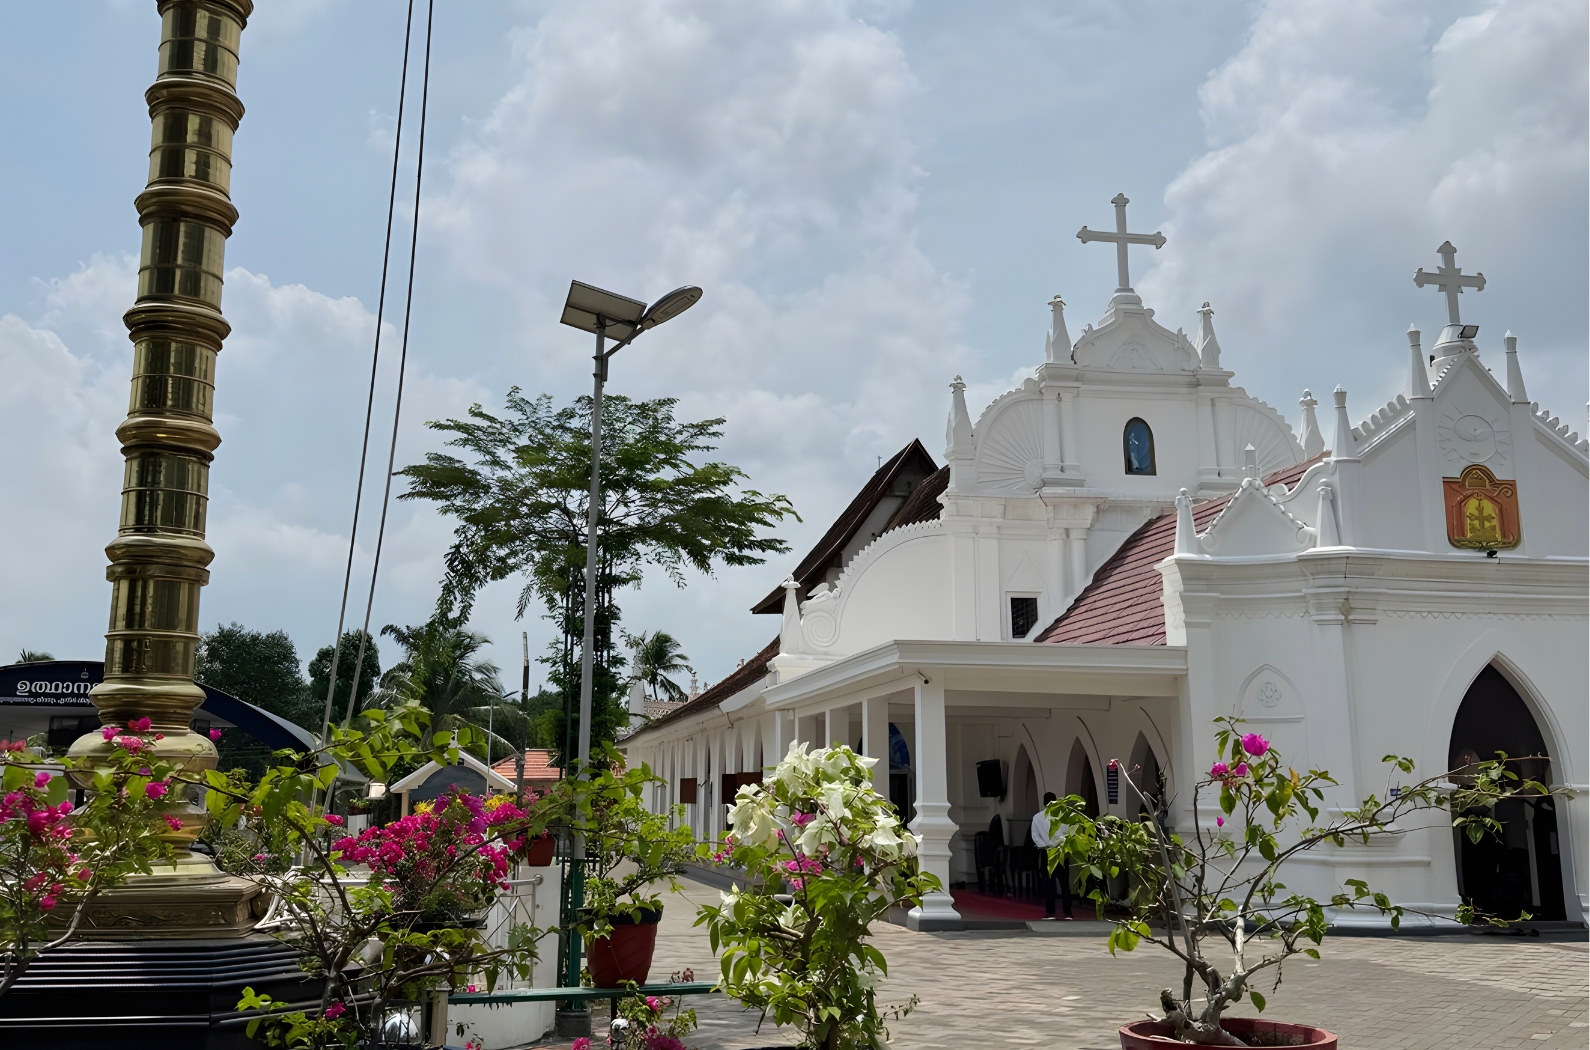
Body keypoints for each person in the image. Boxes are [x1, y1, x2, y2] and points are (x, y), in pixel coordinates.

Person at [1030, 791, 1073, 920]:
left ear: (1043, 803)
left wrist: (1045, 845)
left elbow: (1035, 836)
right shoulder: (1064, 816)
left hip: (1046, 852)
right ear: (1056, 801)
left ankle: (1050, 912)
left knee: (1048, 884)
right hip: (1061, 852)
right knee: (1064, 883)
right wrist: (1059, 844)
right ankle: (1068, 912)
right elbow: (1069, 834)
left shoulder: (1037, 818)